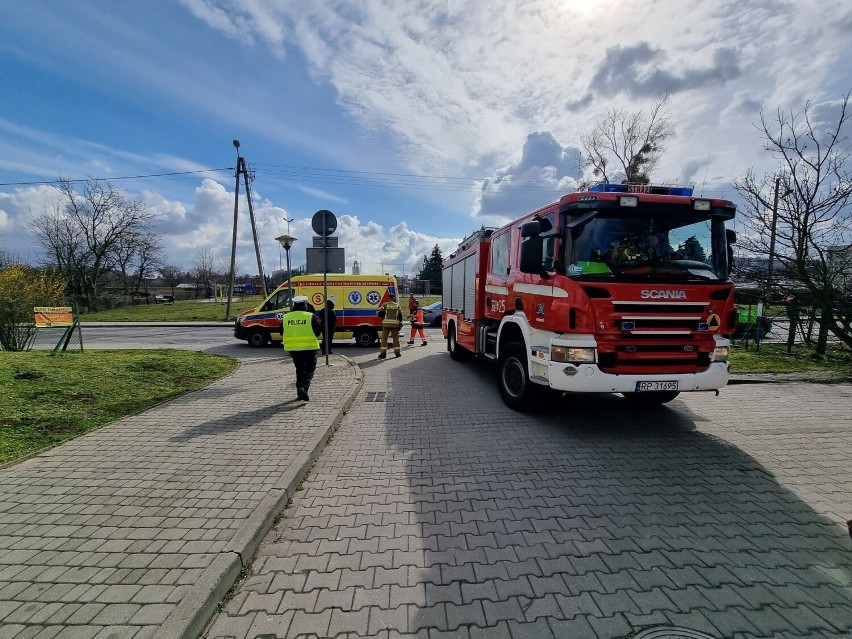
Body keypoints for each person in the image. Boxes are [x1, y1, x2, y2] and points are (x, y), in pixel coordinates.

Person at [281, 295, 322, 401]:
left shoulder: (286, 317)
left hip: (294, 348)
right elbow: (317, 332)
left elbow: (281, 332)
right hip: (309, 348)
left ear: (294, 305)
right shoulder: (310, 316)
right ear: (305, 305)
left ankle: (299, 392)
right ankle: (304, 388)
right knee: (309, 369)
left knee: (299, 369)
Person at [377, 291, 403, 359]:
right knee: (396, 339)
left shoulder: (384, 305)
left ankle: (383, 354)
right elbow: (400, 316)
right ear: (394, 298)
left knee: (384, 339)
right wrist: (400, 323)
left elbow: (380, 314)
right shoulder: (397, 305)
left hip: (386, 324)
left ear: (389, 298)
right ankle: (397, 353)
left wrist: (381, 318)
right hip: (395, 325)